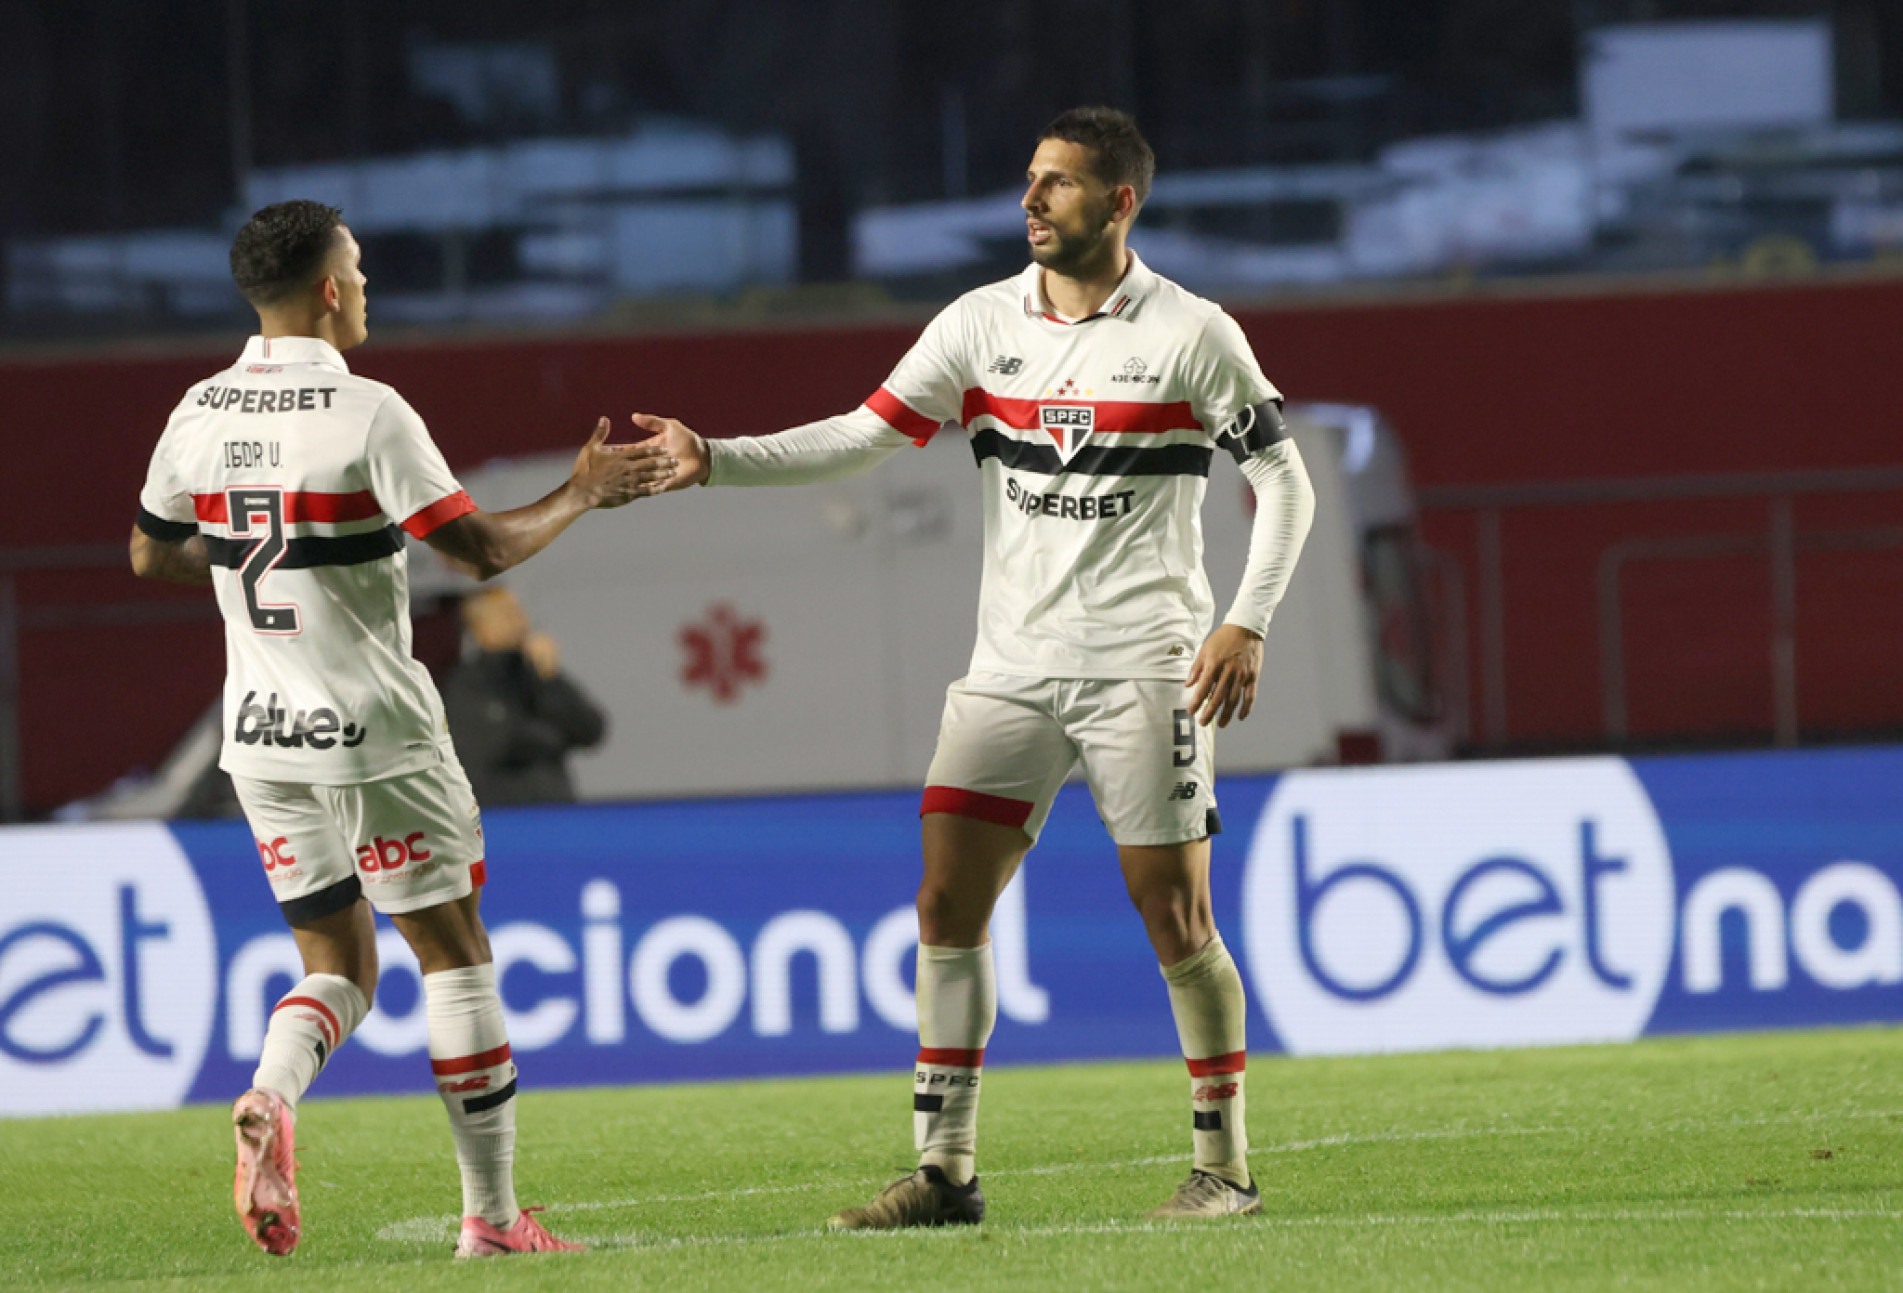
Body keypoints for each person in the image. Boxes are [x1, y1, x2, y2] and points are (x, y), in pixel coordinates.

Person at [634, 106, 1315, 1225]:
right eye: (1030, 181)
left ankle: (1224, 1171)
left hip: (1143, 670)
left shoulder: (1193, 334)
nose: (1031, 200)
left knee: (1174, 920)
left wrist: (1245, 622)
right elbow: (863, 433)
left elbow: (1286, 485)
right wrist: (714, 459)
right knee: (946, 902)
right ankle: (945, 1172)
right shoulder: (979, 324)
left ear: (1120, 202)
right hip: (1007, 670)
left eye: (1058, 183)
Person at [130, 200, 673, 1258]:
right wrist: (582, 492)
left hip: (260, 739)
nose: (368, 286)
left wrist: (262, 555)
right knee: (455, 957)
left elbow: (151, 555)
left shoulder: (194, 411)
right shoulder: (370, 412)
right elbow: (475, 551)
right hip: (375, 734)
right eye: (361, 268)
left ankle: (269, 1092)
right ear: (329, 289)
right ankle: (494, 1220)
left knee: (337, 961)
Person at [440, 586, 607, 805]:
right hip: (501, 817)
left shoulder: (538, 674)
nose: (520, 621)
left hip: (556, 811)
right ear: (480, 629)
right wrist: (543, 738)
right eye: (507, 615)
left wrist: (550, 679)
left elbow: (591, 731)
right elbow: (480, 755)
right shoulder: (465, 686)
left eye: (519, 612)